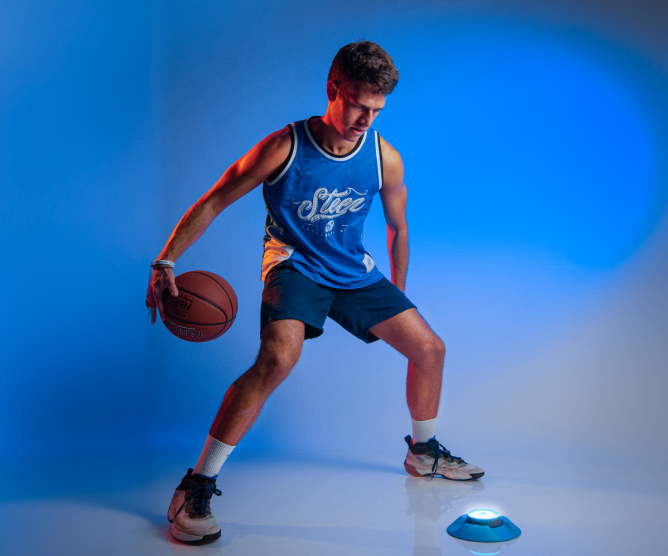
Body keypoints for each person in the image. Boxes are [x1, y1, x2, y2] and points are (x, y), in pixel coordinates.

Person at [146, 40, 484, 544]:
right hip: (294, 266)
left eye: (376, 110)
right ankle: (197, 484)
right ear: (333, 89)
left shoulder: (383, 157)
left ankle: (424, 451)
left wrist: (399, 295)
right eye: (358, 105)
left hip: (352, 269)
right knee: (277, 361)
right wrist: (167, 258)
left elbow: (399, 227)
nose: (365, 119)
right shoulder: (284, 148)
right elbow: (215, 199)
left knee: (429, 348)